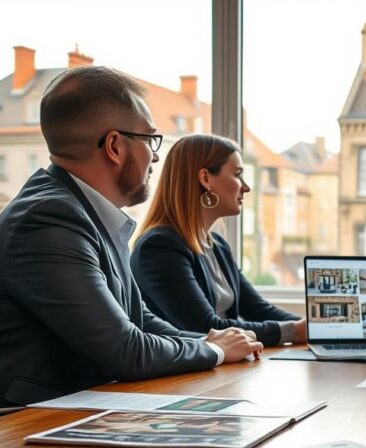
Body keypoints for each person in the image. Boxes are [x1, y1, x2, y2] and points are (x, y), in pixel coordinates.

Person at [0, 66, 262, 419]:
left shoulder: (85, 211)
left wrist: (206, 342)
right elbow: (124, 349)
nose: (155, 156)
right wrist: (215, 351)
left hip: (71, 410)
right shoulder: (47, 219)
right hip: (14, 426)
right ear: (114, 146)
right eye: (151, 140)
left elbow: (140, 320)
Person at [131, 135, 306, 346]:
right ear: (205, 178)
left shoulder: (217, 245)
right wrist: (293, 332)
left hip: (222, 365)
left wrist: (318, 328)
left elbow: (257, 308)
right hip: (185, 375)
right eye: (238, 175)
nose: (246, 187)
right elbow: (205, 327)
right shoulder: (159, 248)